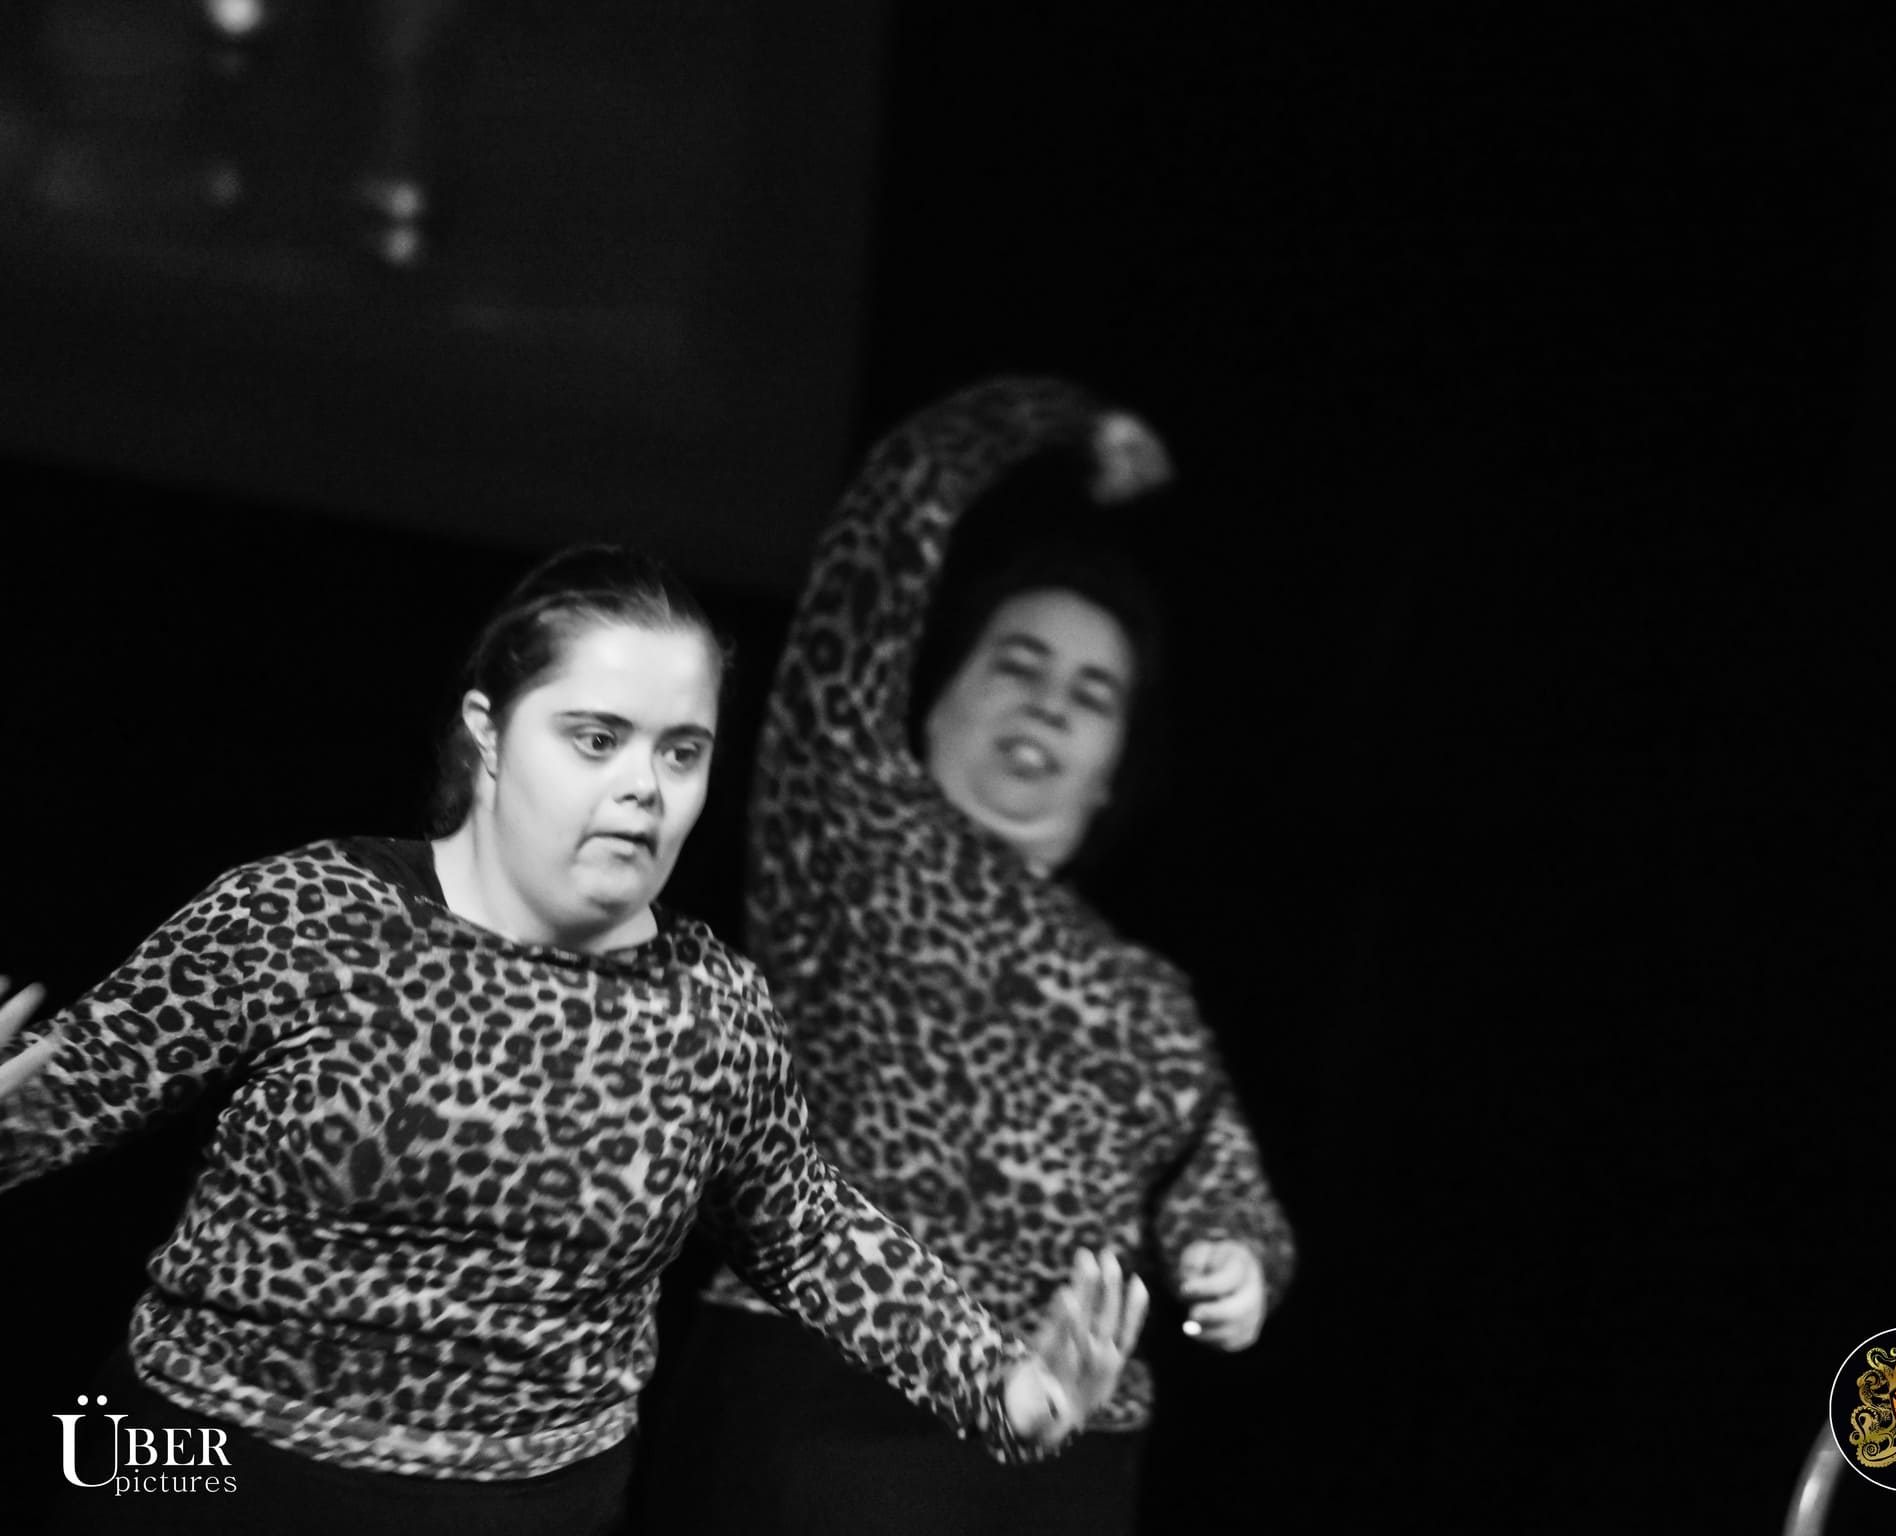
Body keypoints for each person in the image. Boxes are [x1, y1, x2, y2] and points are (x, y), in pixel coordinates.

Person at [0, 543, 1146, 1536]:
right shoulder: (310, 915)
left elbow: (809, 1233)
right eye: (596, 738)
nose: (643, 787)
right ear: (489, 733)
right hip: (205, 1472)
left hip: (522, 1509)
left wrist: (1001, 1387)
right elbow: (66, 1092)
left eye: (680, 752)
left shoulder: (711, 1008)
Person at [647, 378, 1296, 1535]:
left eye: (1090, 695)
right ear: (935, 697)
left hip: (1075, 1445)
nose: (1047, 706)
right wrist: (1054, 424)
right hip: (835, 1390)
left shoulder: (1149, 995)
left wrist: (1234, 1260)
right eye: (1016, 664)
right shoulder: (855, 829)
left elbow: (1219, 1177)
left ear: (1111, 772)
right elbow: (879, 536)